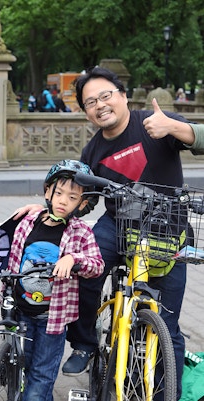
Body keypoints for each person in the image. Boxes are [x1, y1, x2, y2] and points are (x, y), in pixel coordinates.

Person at [16, 67, 204, 399]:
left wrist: (174, 126)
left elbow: (198, 137)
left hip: (169, 229)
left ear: (121, 94)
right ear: (86, 111)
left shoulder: (155, 122)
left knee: (169, 330)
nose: (100, 105)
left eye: (105, 96)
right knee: (84, 265)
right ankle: (85, 342)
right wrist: (47, 208)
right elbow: (82, 200)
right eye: (90, 102)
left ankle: (164, 392)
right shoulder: (93, 152)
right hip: (117, 227)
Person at [7, 159, 104, 400]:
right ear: (48, 191)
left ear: (83, 203)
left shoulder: (81, 231)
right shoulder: (28, 222)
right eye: (58, 193)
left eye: (72, 197)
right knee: (22, 367)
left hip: (53, 319)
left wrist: (73, 259)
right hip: (22, 312)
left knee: (41, 375)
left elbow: (97, 265)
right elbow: (12, 259)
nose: (63, 200)